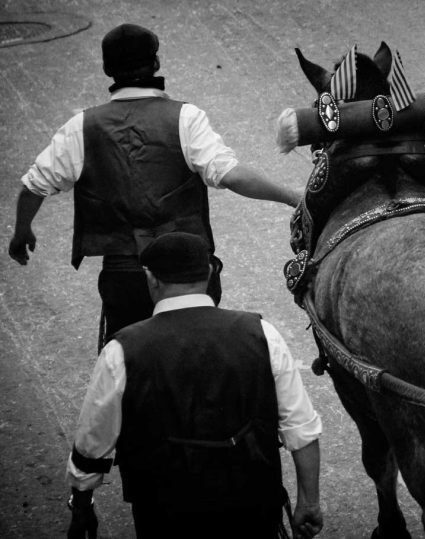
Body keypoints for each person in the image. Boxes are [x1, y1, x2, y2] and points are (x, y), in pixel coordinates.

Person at [8, 23, 302, 349]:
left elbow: (34, 186)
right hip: (187, 273)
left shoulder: (81, 127)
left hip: (124, 275)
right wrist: (293, 197)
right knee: (198, 358)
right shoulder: (185, 118)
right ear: (156, 63)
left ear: (108, 69)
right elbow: (230, 175)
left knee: (128, 363)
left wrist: (22, 232)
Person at [65, 232, 323, 539]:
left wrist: (82, 506)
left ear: (150, 277)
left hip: (164, 516)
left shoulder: (121, 351)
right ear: (211, 272)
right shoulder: (261, 333)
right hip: (253, 510)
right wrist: (308, 501)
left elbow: (92, 445)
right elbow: (301, 428)